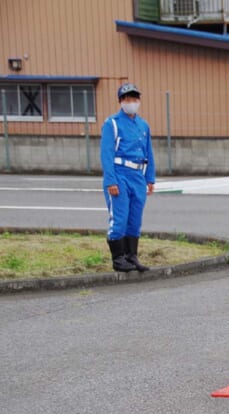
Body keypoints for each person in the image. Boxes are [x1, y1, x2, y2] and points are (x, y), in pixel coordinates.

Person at [100, 82, 156, 272]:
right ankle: (118, 259)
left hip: (137, 175)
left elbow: (149, 152)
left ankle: (131, 257)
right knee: (120, 218)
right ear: (121, 101)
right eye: (127, 99)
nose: (131, 102)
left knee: (135, 219)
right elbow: (106, 154)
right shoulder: (112, 123)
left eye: (134, 98)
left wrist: (150, 178)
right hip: (119, 173)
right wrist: (111, 181)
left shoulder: (143, 125)